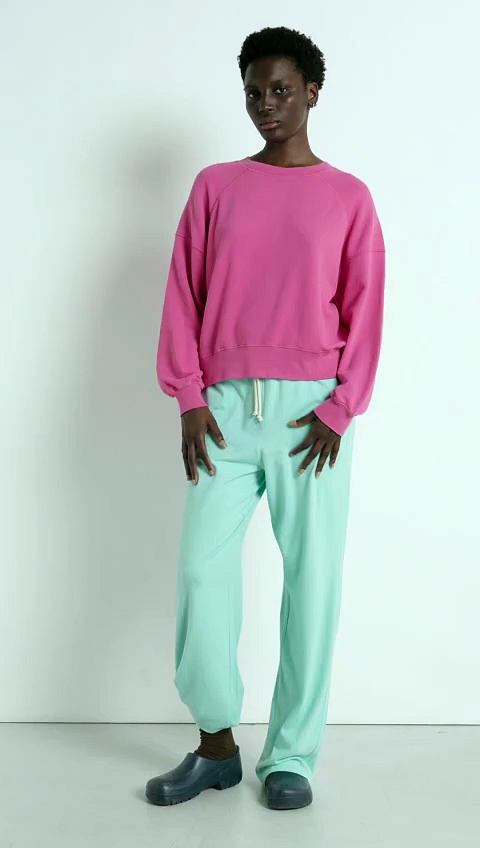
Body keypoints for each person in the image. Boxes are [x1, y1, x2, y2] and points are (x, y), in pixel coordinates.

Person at [145, 25, 386, 811]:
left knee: (312, 585)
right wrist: (189, 396)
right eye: (254, 91)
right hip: (222, 410)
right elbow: (184, 292)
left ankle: (292, 757)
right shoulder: (216, 186)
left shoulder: (348, 197)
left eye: (281, 89)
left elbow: (366, 311)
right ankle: (216, 744)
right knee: (201, 572)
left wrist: (341, 408)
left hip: (312, 416)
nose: (266, 105)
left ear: (313, 91)